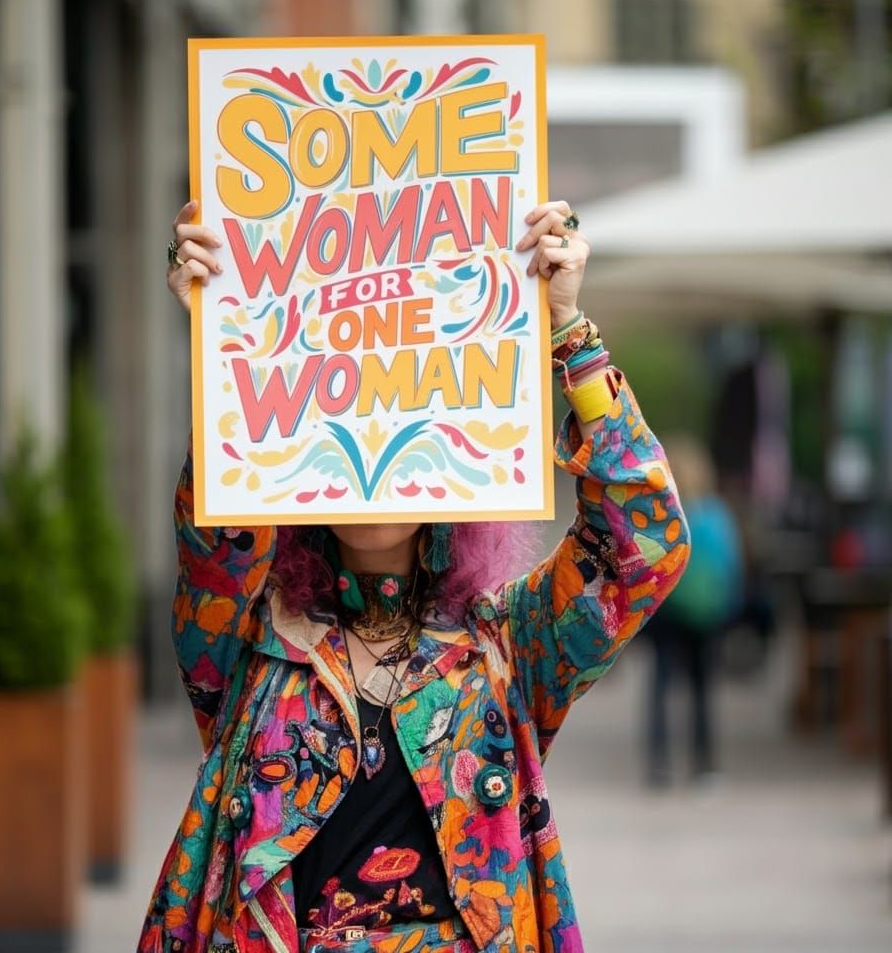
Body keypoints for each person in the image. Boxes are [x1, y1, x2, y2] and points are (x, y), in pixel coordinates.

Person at [138, 198, 690, 953]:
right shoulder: (247, 640)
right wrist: (229, 331)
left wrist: (568, 333)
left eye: (400, 419)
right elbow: (217, 539)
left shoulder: (508, 647)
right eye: (345, 424)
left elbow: (644, 549)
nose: (374, 458)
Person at [643, 434, 743, 788]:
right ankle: (704, 765)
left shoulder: (660, 512)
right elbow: (733, 565)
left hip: (668, 612)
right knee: (702, 689)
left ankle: (658, 763)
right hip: (707, 615)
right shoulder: (717, 514)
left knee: (660, 688)